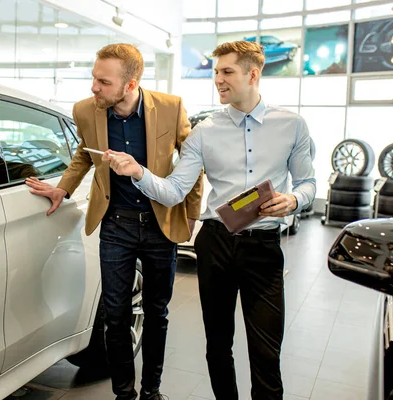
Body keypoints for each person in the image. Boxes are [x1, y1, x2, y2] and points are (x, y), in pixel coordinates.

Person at [103, 41, 316, 400]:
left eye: (227, 72)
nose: (217, 79)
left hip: (263, 248)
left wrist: (294, 199)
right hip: (216, 244)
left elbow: (309, 182)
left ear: (253, 74)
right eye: (216, 72)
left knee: (266, 352)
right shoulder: (204, 131)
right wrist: (138, 171)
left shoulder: (291, 125)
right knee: (217, 346)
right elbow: (174, 191)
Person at [25, 43, 203, 400]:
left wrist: (191, 213)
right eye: (94, 78)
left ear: (131, 83)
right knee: (116, 315)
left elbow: (193, 162)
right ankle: (125, 394)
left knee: (157, 313)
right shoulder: (85, 111)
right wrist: (63, 188)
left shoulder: (171, 108)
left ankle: (152, 391)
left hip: (160, 222)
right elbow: (83, 155)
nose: (94, 87)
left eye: (103, 81)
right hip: (116, 224)